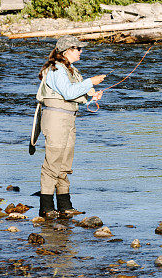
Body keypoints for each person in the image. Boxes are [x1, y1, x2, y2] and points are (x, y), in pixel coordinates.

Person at [36, 34, 106, 218]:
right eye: (78, 49)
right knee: (53, 162)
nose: (81, 51)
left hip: (68, 118)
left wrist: (89, 97)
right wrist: (90, 82)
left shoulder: (71, 69)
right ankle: (46, 207)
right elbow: (67, 92)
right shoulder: (56, 69)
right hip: (55, 119)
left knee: (65, 163)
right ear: (67, 51)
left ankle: (65, 205)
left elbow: (73, 94)